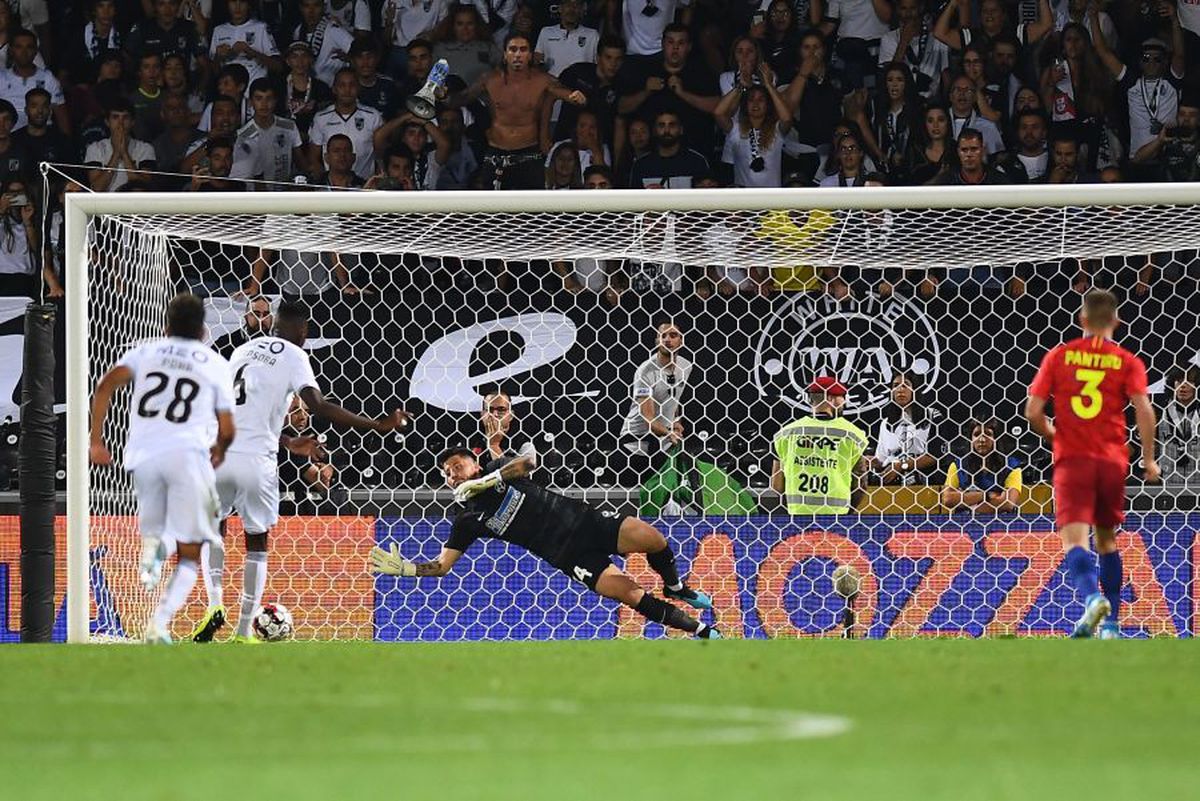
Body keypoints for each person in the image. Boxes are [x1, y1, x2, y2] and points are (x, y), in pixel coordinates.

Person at [190, 299, 409, 643]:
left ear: (274, 323)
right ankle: (244, 629)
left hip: (219, 453)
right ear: (303, 331)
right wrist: (378, 425)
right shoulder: (296, 356)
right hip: (257, 461)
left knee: (213, 530)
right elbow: (318, 405)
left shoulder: (242, 350)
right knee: (256, 542)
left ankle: (214, 603)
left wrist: (289, 441)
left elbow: (239, 407)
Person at [370, 446, 721, 639]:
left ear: (474, 464)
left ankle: (675, 586)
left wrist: (487, 479)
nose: (453, 474)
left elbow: (529, 460)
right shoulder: (466, 521)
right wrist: (407, 568)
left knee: (653, 538)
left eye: (457, 466)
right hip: (567, 554)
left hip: (587, 523)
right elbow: (443, 566)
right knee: (630, 594)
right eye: (447, 473)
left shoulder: (498, 469)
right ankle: (702, 631)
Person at [88, 293, 236, 644]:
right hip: (188, 455)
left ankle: (157, 555)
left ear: (167, 325)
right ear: (203, 330)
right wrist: (220, 449)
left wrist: (96, 440)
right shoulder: (214, 363)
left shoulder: (145, 351)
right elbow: (228, 429)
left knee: (160, 531)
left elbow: (105, 385)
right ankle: (160, 621)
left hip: (142, 458)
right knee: (192, 547)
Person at [1025, 288, 1160, 639]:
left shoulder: (1060, 357)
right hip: (1112, 461)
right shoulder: (1128, 361)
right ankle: (1111, 626)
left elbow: (1033, 412)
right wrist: (1148, 459)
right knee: (1107, 540)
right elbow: (1144, 409)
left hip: (1074, 461)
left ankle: (1091, 599)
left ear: (1082, 320)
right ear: (1117, 321)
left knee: (1074, 541)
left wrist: (1057, 437)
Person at [448, 32, 586, 189]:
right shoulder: (490, 80)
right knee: (493, 211)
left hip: (529, 156)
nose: (518, 55)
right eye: (513, 50)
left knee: (530, 212)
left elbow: (563, 92)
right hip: (496, 154)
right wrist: (442, 95)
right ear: (505, 55)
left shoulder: (543, 80)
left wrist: (575, 97)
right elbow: (461, 99)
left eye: (523, 49)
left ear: (530, 55)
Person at [771, 376, 868, 515]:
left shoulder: (786, 434)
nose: (844, 403)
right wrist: (849, 512)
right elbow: (861, 484)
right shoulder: (851, 434)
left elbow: (776, 486)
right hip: (837, 516)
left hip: (798, 514)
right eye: (842, 397)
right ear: (829, 398)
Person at [619, 320, 690, 458]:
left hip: (665, 440)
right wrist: (669, 433)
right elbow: (649, 419)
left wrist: (676, 421)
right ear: (657, 341)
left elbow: (673, 397)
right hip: (637, 442)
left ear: (681, 340)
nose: (667, 339)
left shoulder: (686, 366)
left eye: (673, 335)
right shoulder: (645, 372)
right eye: (663, 336)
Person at [869, 370, 944, 486]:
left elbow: (935, 455)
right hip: (893, 487)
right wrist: (871, 462)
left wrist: (902, 465)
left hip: (924, 484)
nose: (900, 389)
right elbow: (882, 460)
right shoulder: (886, 424)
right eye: (896, 386)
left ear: (915, 389)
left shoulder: (932, 416)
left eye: (906, 385)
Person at [307, 67, 382, 180]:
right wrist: (324, 183)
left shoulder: (372, 116)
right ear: (334, 89)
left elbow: (380, 156)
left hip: (365, 187)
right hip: (332, 189)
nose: (347, 90)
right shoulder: (321, 118)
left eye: (352, 85)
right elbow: (313, 157)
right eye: (342, 85)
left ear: (358, 88)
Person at [231, 78, 306, 187]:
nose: (264, 104)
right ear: (251, 102)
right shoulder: (243, 135)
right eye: (259, 98)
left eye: (269, 98)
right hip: (256, 195)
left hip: (284, 191)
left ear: (275, 100)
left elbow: (300, 160)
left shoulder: (289, 126)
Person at [939, 418, 1022, 513]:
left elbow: (1008, 503)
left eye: (988, 434)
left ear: (996, 438)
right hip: (965, 524)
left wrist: (967, 501)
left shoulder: (1011, 466)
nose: (982, 439)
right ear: (971, 439)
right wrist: (986, 495)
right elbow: (947, 499)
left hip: (1001, 524)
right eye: (976, 434)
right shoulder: (958, 466)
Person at [85, 98, 156, 192]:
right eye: (115, 117)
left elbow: (143, 188)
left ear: (132, 122)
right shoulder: (95, 148)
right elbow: (97, 188)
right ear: (107, 122)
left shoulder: (145, 149)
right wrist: (116, 154)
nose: (120, 123)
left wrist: (125, 154)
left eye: (125, 117)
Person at [1157, 365, 1200, 485]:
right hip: (1169, 485)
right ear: (1172, 384)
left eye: (1189, 381)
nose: (1183, 386)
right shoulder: (1160, 411)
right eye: (1179, 381)